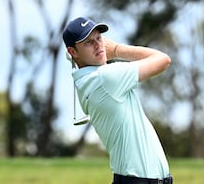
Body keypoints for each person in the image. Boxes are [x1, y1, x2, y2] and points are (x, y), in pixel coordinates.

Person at [62, 17, 173, 184]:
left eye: (99, 38)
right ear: (73, 52)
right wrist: (115, 49)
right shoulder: (105, 78)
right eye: (88, 42)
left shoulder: (88, 80)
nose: (98, 45)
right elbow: (163, 60)